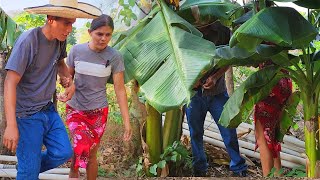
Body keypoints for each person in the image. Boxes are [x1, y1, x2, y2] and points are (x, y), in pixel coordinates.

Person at [3, 0, 101, 179]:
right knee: (29, 173)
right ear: (50, 19)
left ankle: (26, 167)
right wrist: (11, 125)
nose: (70, 29)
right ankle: (27, 169)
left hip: (48, 110)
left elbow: (60, 64)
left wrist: (69, 81)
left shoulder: (59, 40)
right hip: (26, 115)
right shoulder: (29, 41)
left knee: (63, 152)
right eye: (66, 23)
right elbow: (10, 82)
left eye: (72, 24)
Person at [64, 14, 132, 180]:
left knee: (92, 155)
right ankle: (74, 172)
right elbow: (66, 78)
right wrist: (68, 86)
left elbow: (120, 89)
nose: (103, 39)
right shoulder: (76, 51)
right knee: (79, 148)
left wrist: (127, 122)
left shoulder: (115, 56)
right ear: (90, 32)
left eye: (108, 35)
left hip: (98, 113)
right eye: (99, 34)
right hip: (76, 109)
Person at [185, 22, 247, 177]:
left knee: (228, 130)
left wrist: (215, 76)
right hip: (194, 94)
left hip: (217, 92)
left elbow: (230, 57)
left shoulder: (223, 31)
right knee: (195, 133)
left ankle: (238, 167)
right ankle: (200, 168)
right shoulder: (185, 29)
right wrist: (194, 80)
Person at [254, 61, 292, 176]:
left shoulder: (263, 43)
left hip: (270, 83)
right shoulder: (283, 42)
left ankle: (267, 176)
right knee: (273, 136)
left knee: (263, 138)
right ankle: (278, 175)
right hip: (284, 80)